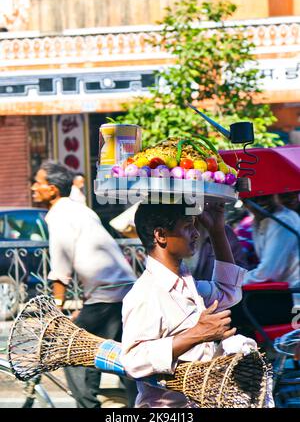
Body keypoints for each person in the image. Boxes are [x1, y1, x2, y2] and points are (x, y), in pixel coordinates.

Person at [120, 201, 248, 408]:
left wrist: (217, 231)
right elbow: (133, 360)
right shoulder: (145, 293)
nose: (196, 234)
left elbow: (229, 291)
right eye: (188, 226)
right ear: (161, 235)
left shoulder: (188, 283)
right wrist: (198, 333)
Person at [31, 160, 137, 408]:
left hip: (107, 296)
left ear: (53, 189)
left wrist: (55, 312)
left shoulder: (59, 215)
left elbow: (60, 269)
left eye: (38, 182)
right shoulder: (81, 209)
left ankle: (89, 406)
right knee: (121, 356)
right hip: (121, 292)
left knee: (71, 353)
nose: (34, 188)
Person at [242, 194, 300, 288]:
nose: (261, 202)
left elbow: (268, 273)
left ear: (275, 196)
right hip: (280, 292)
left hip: (291, 293)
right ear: (245, 202)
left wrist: (236, 282)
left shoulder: (283, 219)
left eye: (265, 196)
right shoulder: (258, 221)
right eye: (255, 198)